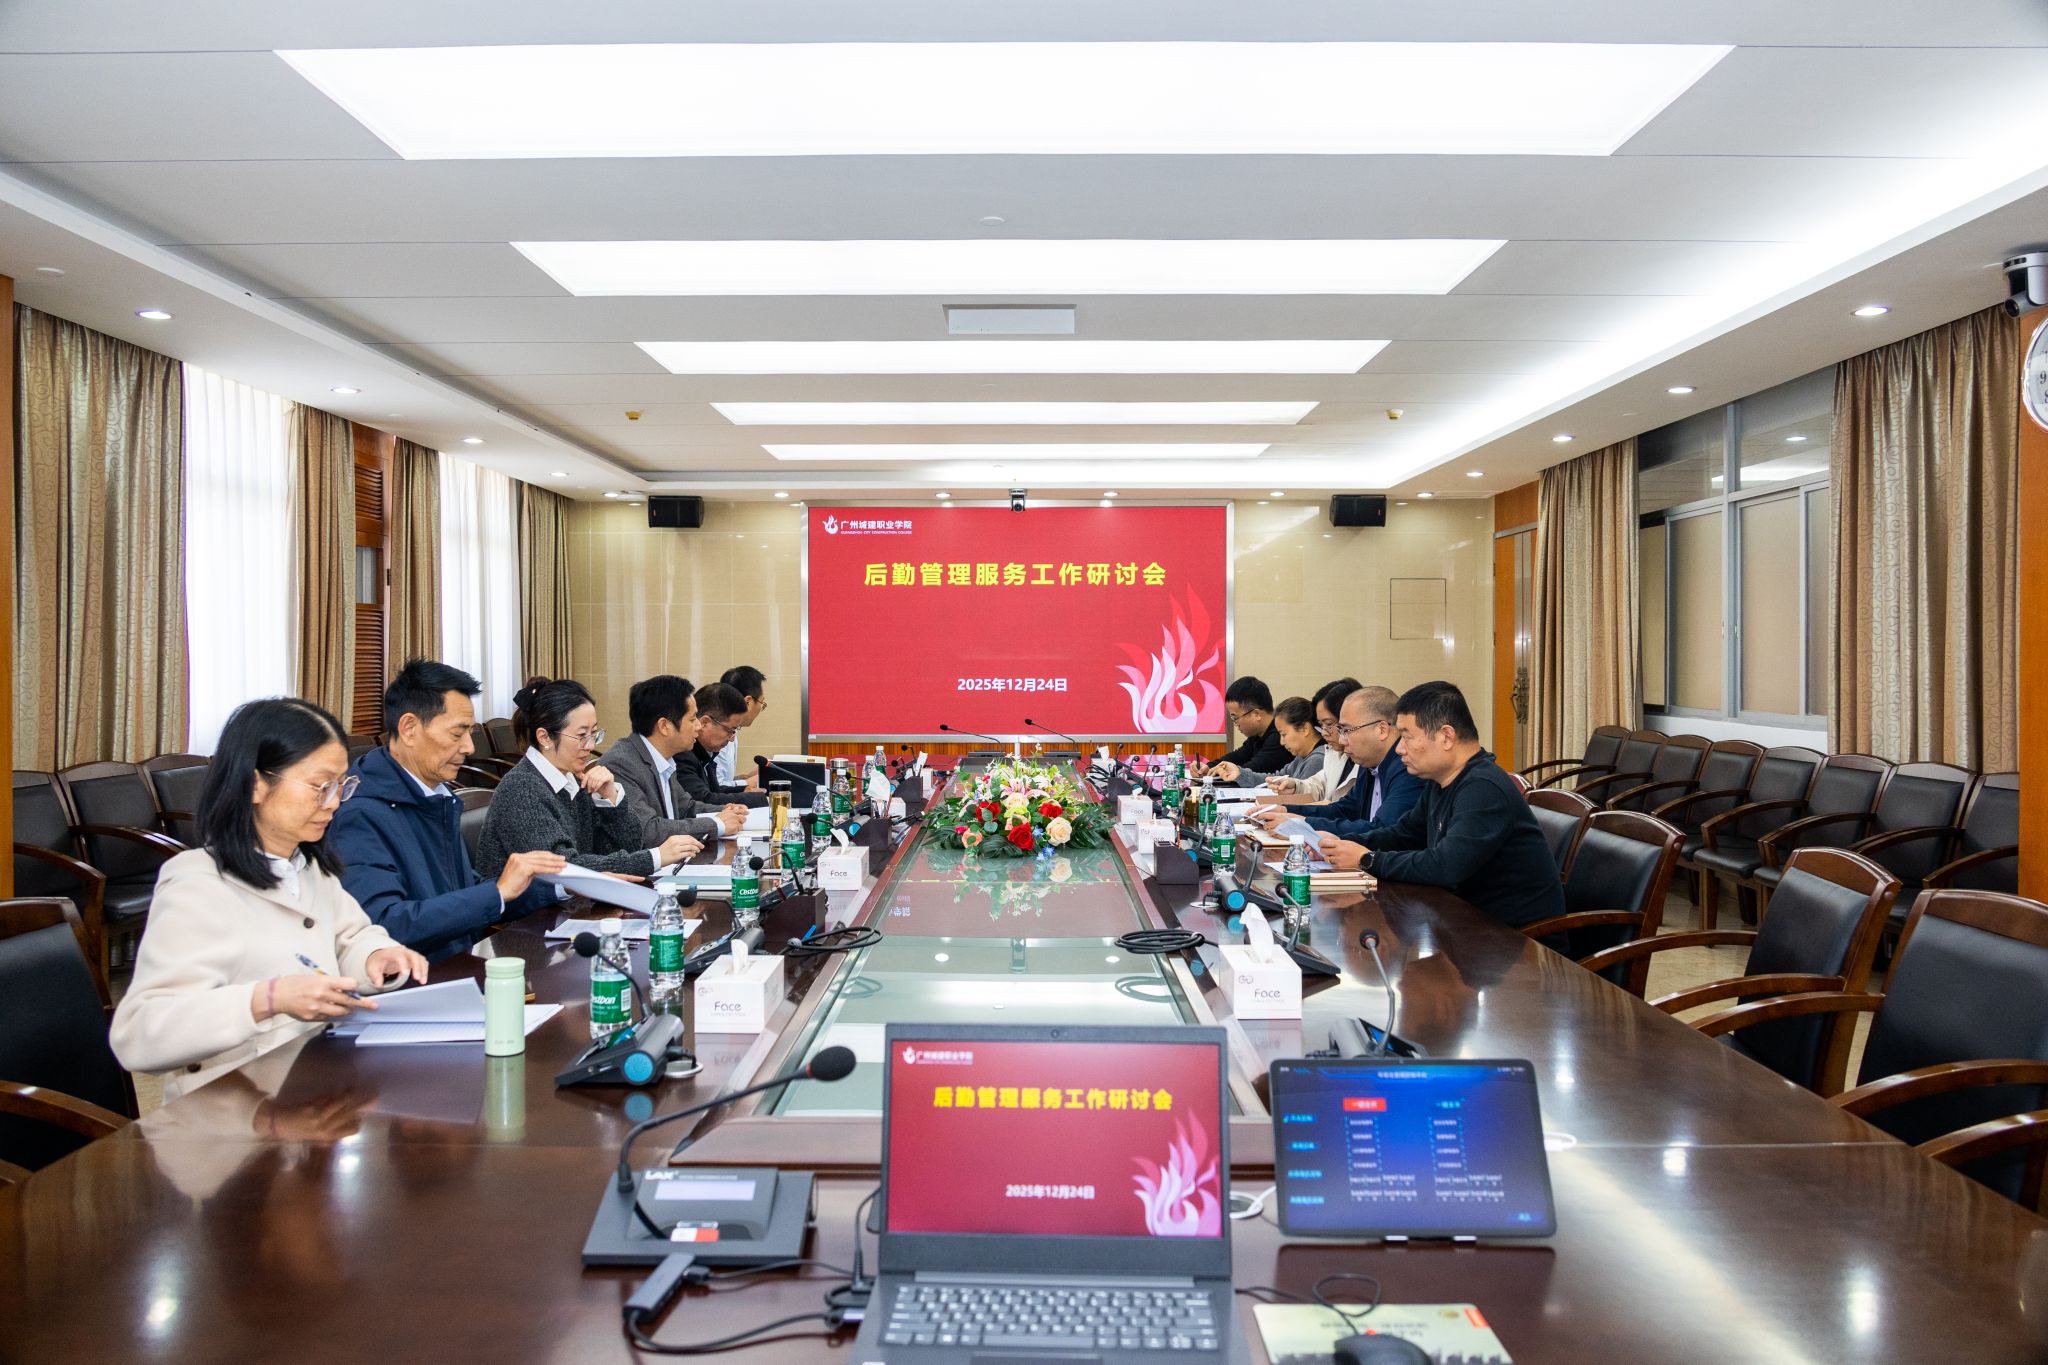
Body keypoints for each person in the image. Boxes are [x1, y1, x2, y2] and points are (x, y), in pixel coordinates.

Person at [110, 698, 432, 1101]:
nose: (334, 802)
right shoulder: (198, 884)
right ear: (256, 784)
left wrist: (376, 956)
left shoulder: (307, 867)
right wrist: (266, 999)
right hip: (230, 1111)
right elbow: (140, 1033)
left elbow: (350, 937)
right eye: (320, 786)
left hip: (312, 1087)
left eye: (341, 785)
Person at [328, 660, 567, 961]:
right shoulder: (360, 814)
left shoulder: (435, 796)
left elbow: (464, 890)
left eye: (470, 733)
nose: (469, 747)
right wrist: (495, 894)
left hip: (461, 966)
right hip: (418, 981)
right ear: (409, 728)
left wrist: (561, 887)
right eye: (457, 734)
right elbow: (384, 924)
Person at [1322, 680, 1565, 929]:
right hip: (1461, 922)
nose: (1400, 749)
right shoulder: (1440, 783)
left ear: (1446, 736)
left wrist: (1366, 860)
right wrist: (1339, 845)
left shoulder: (1483, 787)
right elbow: (1402, 835)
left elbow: (1445, 866)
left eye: (1406, 737)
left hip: (1516, 939)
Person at [475, 677, 700, 879]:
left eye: (594, 733)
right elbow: (563, 868)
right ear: (545, 737)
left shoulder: (573, 780)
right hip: (527, 911)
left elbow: (624, 848)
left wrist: (611, 800)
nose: (590, 746)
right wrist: (655, 857)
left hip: (576, 903)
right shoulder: (522, 788)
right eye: (582, 735)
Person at [1253, 685, 1422, 841]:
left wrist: (1303, 824)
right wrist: (1286, 810)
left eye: (1347, 730)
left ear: (1382, 729)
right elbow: (1344, 809)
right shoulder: (1369, 764)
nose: (1342, 739)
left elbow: (1383, 831)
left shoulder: (1408, 768)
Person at [601, 674, 750, 848]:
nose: (698, 726)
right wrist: (717, 824)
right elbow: (648, 830)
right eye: (692, 719)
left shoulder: (663, 757)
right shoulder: (621, 764)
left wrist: (725, 811)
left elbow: (686, 807)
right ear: (664, 726)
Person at [1266, 678, 1361, 804]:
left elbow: (1349, 809)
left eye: (1329, 724)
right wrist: (1296, 786)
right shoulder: (1334, 753)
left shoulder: (1367, 761)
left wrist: (1329, 807)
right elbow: (1319, 785)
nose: (1324, 733)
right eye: (1321, 725)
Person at [679, 681, 769, 808]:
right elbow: (703, 800)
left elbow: (714, 790)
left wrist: (744, 790)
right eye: (730, 730)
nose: (732, 739)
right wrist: (760, 799)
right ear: (705, 723)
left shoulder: (705, 753)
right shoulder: (683, 755)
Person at [1207, 696, 1325, 786]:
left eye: (1284, 734)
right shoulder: (1302, 756)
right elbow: (1278, 777)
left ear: (1304, 729)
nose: (1281, 742)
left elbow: (1300, 800)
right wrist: (1239, 773)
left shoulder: (1317, 759)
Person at [1202, 676, 1289, 775]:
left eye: (1235, 717)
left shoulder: (1278, 737)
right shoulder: (1257, 735)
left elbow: (1248, 772)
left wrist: (1219, 771)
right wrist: (1208, 767)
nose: (1235, 723)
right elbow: (1238, 756)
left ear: (1256, 714)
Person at [714, 665, 767, 789]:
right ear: (748, 702)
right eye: (762, 703)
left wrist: (747, 777)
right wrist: (752, 781)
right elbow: (716, 788)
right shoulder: (717, 734)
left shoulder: (732, 731)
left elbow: (723, 780)